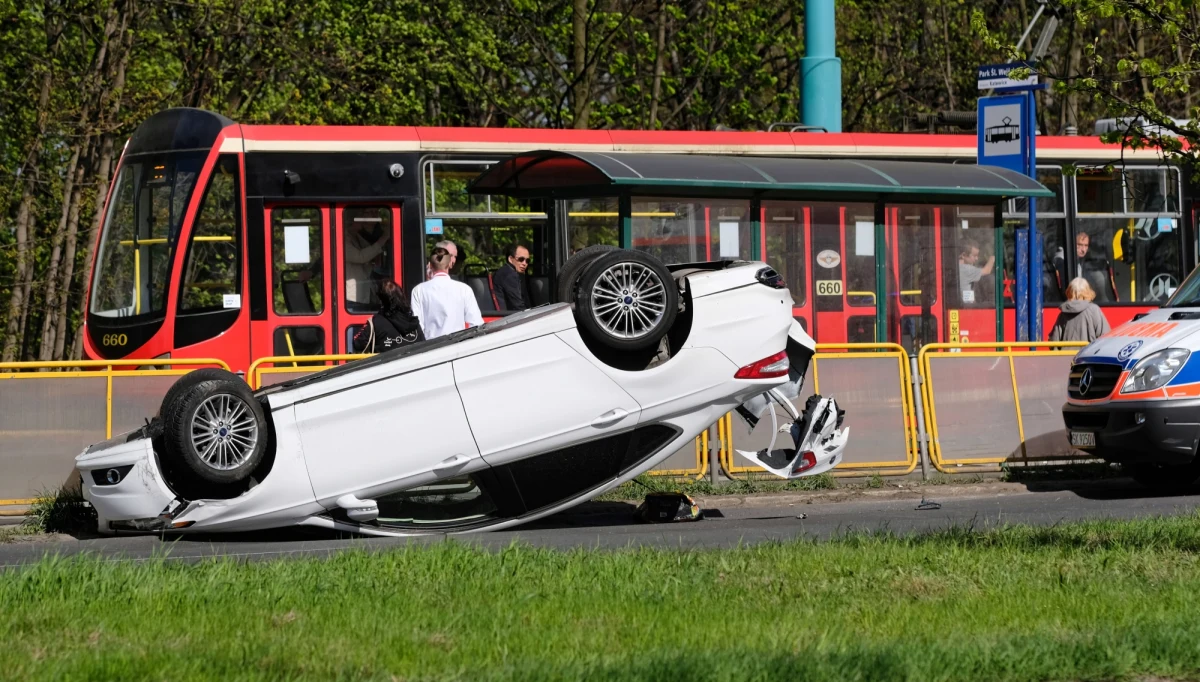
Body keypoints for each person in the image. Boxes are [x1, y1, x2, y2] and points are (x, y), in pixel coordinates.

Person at [411, 246, 483, 338]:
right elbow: (476, 324)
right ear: (450, 264)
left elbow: (418, 327)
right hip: (458, 347)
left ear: (430, 265)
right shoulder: (464, 289)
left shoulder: (418, 290)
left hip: (429, 348)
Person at [352, 280, 424, 352]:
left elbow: (358, 343)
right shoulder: (412, 320)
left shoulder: (376, 322)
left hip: (386, 363)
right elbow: (424, 344)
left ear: (380, 299)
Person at [344, 220, 391, 307]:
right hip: (353, 295)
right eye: (360, 218)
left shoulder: (356, 236)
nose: (364, 221)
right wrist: (384, 237)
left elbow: (370, 251)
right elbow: (361, 257)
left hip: (365, 290)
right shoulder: (341, 239)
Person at [1048, 277, 1110, 342]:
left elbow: (1054, 339)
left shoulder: (1063, 313)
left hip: (1066, 352)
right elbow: (1105, 336)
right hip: (1088, 352)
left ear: (1069, 292)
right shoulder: (1094, 310)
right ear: (1088, 292)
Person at [493, 243, 531, 311]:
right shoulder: (510, 275)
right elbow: (518, 305)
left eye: (527, 261)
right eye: (521, 259)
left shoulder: (506, 271)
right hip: (507, 317)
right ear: (510, 259)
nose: (524, 263)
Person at [957, 240, 994, 304]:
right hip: (967, 307)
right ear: (963, 255)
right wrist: (992, 257)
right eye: (974, 256)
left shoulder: (958, 267)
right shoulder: (967, 269)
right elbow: (987, 270)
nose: (976, 258)